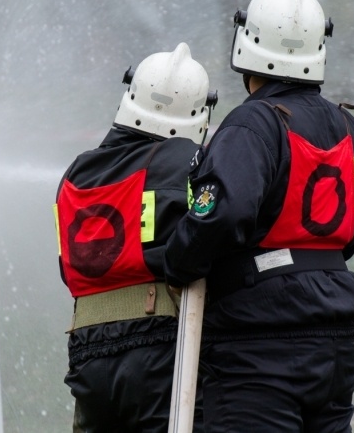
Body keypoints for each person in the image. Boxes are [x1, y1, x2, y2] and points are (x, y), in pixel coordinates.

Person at [164, 0, 354, 432]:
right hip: (337, 339)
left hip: (260, 343)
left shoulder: (250, 124)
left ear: (245, 45)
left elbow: (221, 214)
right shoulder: (350, 130)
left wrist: (177, 261)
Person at [54, 43, 215, 432]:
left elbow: (68, 267)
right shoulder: (185, 162)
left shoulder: (78, 171)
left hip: (87, 350)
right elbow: (210, 234)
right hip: (157, 340)